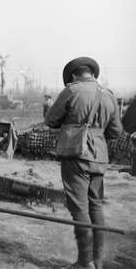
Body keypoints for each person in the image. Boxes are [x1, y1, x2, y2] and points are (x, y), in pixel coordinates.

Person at [45, 57, 122, 269]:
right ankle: (96, 261)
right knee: (96, 206)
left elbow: (51, 120)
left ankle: (84, 262)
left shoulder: (71, 91)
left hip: (76, 153)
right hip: (99, 156)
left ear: (72, 75)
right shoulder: (109, 95)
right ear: (93, 74)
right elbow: (115, 132)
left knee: (79, 209)